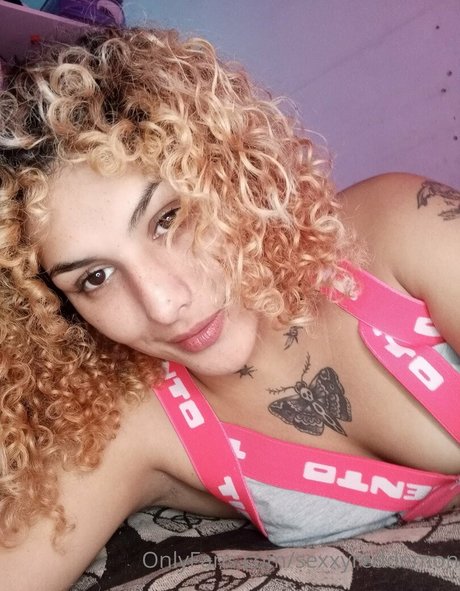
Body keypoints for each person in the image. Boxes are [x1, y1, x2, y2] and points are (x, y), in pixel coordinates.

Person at [0, 26, 459, 591]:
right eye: (95, 278)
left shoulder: (399, 232)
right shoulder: (135, 427)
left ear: (228, 173)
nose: (164, 303)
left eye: (168, 220)